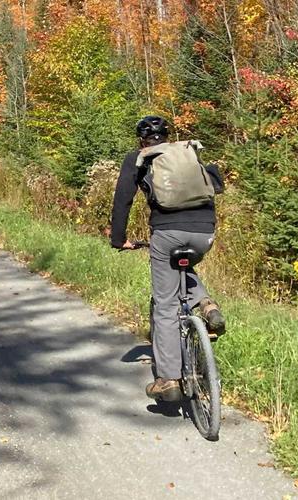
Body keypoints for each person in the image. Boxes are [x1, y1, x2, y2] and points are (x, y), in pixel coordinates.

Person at [110, 115, 226, 402]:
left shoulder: (139, 157)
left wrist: (118, 239)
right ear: (168, 135)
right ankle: (206, 303)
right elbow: (217, 183)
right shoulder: (186, 151)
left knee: (165, 305)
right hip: (205, 231)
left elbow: (123, 198)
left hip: (167, 233)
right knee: (183, 267)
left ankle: (168, 380)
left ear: (142, 140)